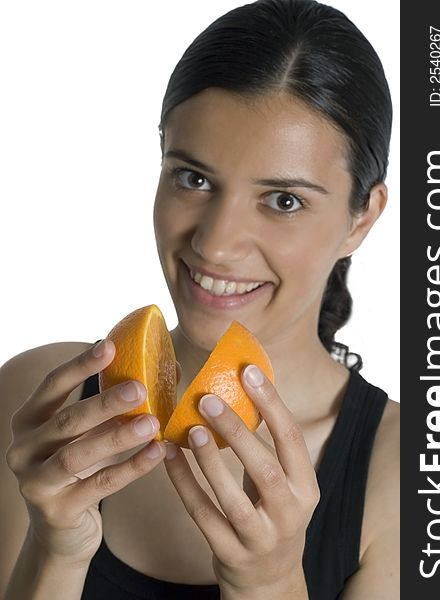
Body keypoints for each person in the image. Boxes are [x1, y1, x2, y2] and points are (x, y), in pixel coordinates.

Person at [0, 0, 399, 598]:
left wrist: (270, 583)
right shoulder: (40, 401)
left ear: (361, 217)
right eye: (193, 178)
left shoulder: (415, 476)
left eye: (283, 200)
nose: (214, 243)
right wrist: (56, 550)